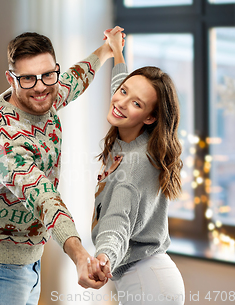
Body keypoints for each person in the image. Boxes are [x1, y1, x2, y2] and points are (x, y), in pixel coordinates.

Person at [0, 27, 125, 305]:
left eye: (48, 74)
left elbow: (74, 79)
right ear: (11, 79)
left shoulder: (43, 95)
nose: (40, 86)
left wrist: (107, 50)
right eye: (27, 78)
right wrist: (80, 255)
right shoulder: (0, 136)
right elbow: (43, 197)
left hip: (28, 257)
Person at [88, 28, 186, 304]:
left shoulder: (131, 167)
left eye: (135, 103)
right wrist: (116, 51)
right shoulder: (136, 135)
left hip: (146, 283)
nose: (120, 102)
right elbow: (123, 86)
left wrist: (104, 257)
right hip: (152, 275)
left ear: (150, 117)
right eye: (123, 92)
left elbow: (117, 222)